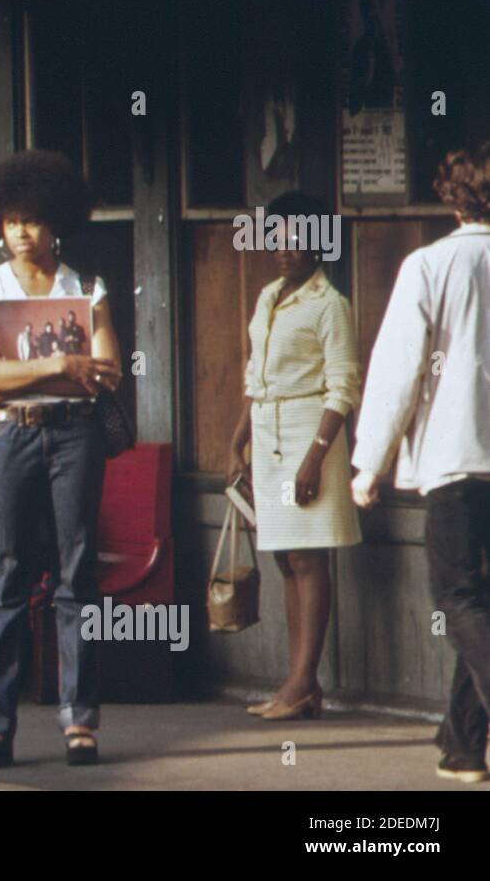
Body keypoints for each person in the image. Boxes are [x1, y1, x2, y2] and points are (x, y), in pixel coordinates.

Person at [0, 150, 121, 768]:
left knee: (77, 574)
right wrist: (55, 364)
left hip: (74, 435)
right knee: (6, 575)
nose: (21, 232)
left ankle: (80, 719)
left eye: (33, 220)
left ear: (57, 223)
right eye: (10, 220)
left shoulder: (88, 288)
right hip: (4, 436)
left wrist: (32, 372)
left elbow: (108, 371)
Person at [351, 142, 490, 783]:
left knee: (459, 597)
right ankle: (462, 746)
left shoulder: (430, 265)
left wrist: (368, 462)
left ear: (452, 196)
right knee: (479, 604)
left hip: (456, 459)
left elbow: (397, 369)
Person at [227, 192, 362, 720]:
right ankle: (297, 683)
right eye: (276, 238)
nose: (283, 249)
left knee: (310, 558)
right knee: (286, 558)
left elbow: (343, 387)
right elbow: (253, 375)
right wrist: (235, 441)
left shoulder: (330, 304)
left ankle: (303, 682)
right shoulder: (267, 297)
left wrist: (316, 457)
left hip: (312, 435)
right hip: (269, 432)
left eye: (296, 239)